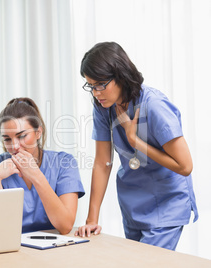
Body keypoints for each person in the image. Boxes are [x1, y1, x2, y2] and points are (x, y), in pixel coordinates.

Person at [75, 42, 198, 250]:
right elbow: (103, 162)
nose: (96, 92)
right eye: (91, 85)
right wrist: (91, 219)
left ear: (120, 75)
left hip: (166, 202)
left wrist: (135, 141)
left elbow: (185, 166)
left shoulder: (154, 105)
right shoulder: (103, 107)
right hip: (133, 202)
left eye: (100, 84)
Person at [0, 97, 85, 234]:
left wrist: (36, 175)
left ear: (38, 132)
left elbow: (65, 226)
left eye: (22, 136)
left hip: (54, 247)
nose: (14, 146)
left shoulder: (64, 163)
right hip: (12, 249)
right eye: (7, 139)